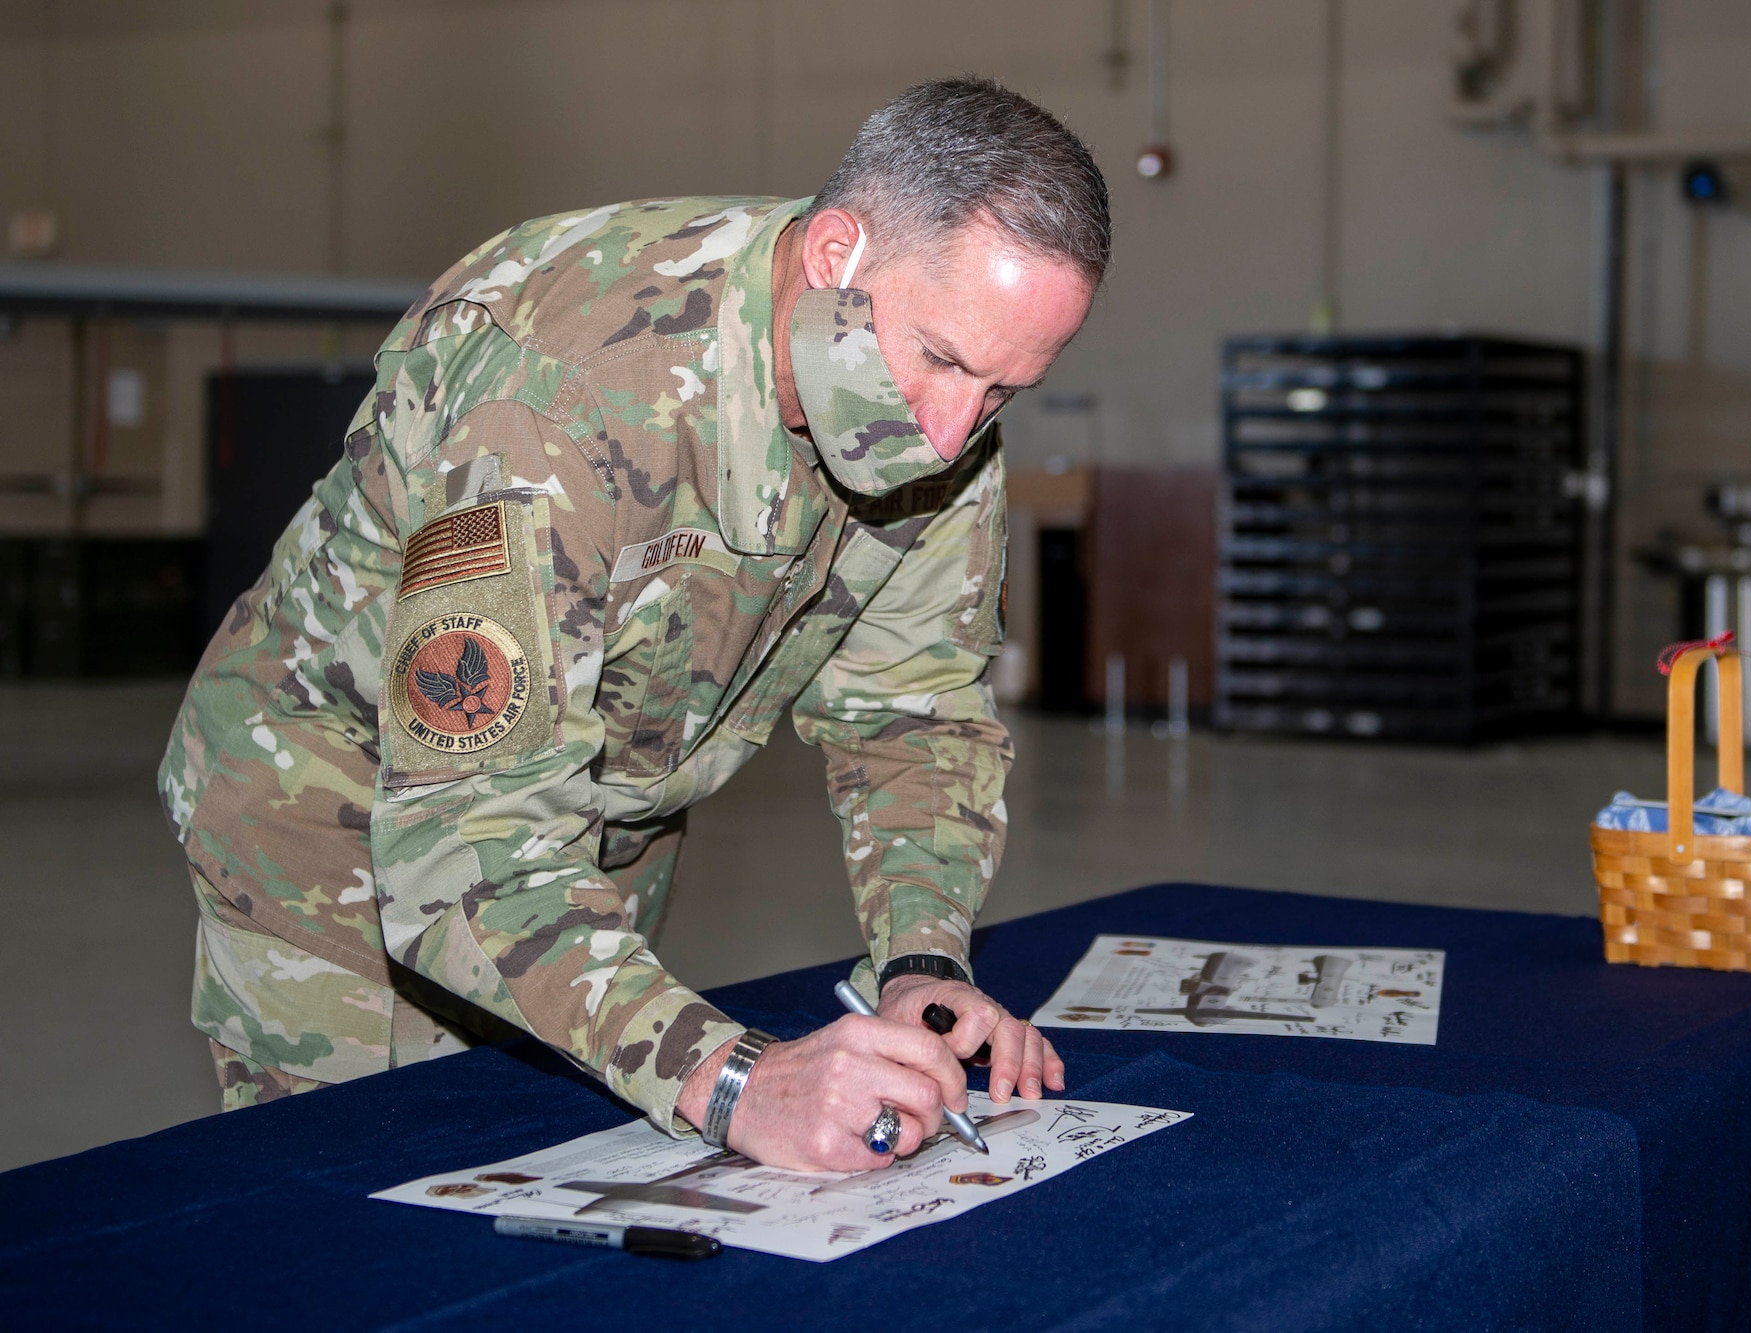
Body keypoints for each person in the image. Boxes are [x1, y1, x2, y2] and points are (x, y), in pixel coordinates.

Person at [157, 76, 1109, 1172]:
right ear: (834, 253)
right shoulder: (561, 397)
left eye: (1002, 392)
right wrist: (740, 1079)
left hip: (587, 834)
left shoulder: (935, 433)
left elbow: (911, 714)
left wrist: (923, 964)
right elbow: (463, 838)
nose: (950, 435)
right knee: (351, 1211)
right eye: (940, 359)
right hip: (336, 818)